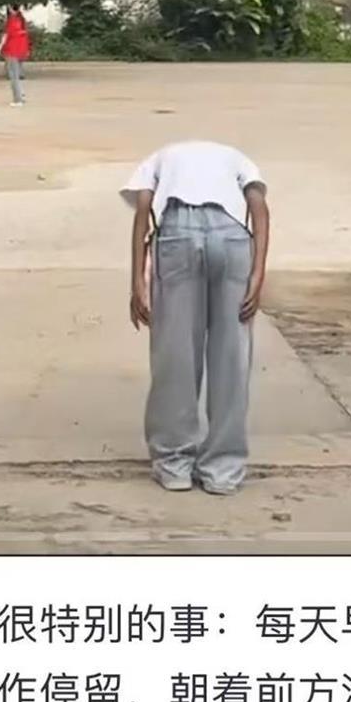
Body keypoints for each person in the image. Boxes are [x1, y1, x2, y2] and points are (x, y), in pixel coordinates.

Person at [122, 141, 270, 495]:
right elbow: (259, 207)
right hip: (232, 236)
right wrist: (257, 274)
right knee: (231, 358)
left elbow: (143, 209)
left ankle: (174, 464)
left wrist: (137, 283)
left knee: (175, 355)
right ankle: (224, 470)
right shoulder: (238, 158)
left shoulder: (158, 158)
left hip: (178, 235)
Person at [0, 4, 31, 105]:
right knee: (17, 74)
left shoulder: (11, 21)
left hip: (11, 50)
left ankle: (17, 99)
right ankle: (21, 95)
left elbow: (6, 36)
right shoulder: (21, 20)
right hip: (21, 50)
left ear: (10, 9)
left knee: (13, 76)